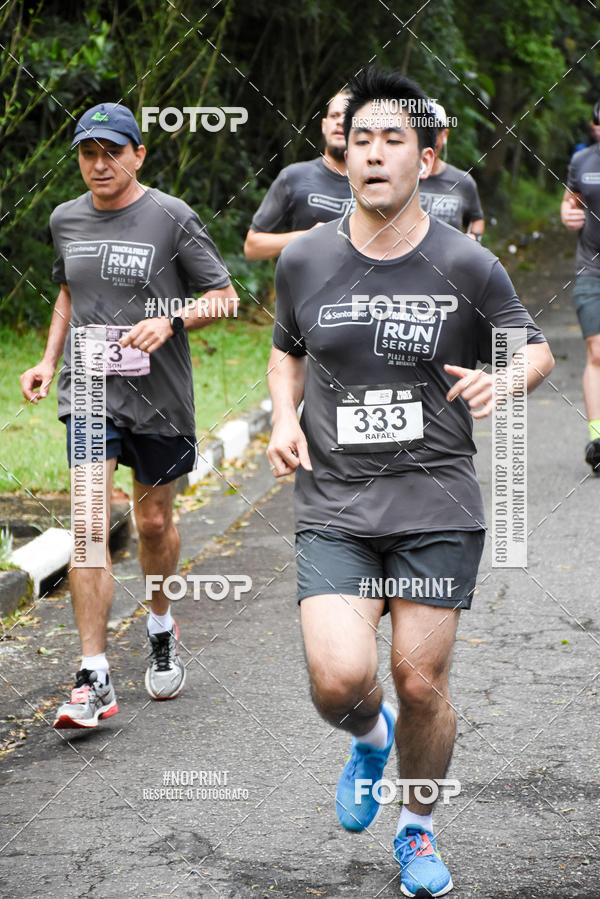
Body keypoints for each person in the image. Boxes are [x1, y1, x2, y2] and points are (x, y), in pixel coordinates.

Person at [267, 68, 554, 896]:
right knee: (338, 679)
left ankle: (418, 829)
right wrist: (284, 416)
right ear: (342, 154)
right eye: (362, 140)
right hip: (336, 504)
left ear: (427, 159)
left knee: (421, 679)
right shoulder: (306, 259)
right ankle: (367, 738)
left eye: (395, 140)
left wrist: (507, 379)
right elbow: (286, 349)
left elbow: (531, 347)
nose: (376, 154)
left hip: (436, 500)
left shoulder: (467, 260)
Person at [20, 102, 237, 728]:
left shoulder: (172, 217)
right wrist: (45, 358)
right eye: (89, 153)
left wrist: (169, 321)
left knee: (153, 523)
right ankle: (94, 676)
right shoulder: (65, 219)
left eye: (112, 151)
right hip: (88, 389)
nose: (99, 164)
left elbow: (223, 299)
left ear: (138, 154)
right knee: (89, 524)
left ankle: (161, 623)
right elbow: (68, 292)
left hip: (159, 396)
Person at [243, 91, 353, 260]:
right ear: (324, 125)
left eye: (348, 116)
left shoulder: (376, 184)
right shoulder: (293, 177)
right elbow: (252, 247)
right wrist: (306, 237)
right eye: (334, 115)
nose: (340, 121)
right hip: (304, 284)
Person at [560, 133, 600, 473]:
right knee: (597, 351)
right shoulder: (582, 161)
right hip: (592, 270)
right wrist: (567, 213)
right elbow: (569, 201)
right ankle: (598, 439)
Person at [419, 102, 485, 241]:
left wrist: (474, 237)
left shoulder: (463, 181)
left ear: (445, 135)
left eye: (435, 131)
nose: (429, 140)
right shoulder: (399, 178)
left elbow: (477, 218)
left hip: (450, 261)